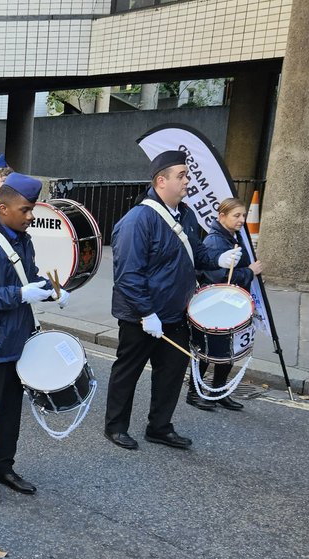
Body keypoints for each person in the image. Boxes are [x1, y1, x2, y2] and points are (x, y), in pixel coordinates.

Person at [103, 150, 242, 451]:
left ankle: (160, 427)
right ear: (160, 180)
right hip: (142, 317)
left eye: (187, 174)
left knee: (171, 373)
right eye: (181, 175)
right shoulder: (139, 219)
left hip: (176, 313)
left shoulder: (187, 214)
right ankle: (115, 426)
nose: (187, 180)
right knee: (128, 371)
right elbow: (128, 275)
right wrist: (146, 313)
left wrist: (219, 256)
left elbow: (197, 252)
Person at [0, 173, 70, 501]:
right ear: (3, 208)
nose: (31, 215)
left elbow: (29, 278)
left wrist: (53, 292)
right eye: (25, 209)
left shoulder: (24, 239)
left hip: (17, 339)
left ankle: (4, 466)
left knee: (11, 409)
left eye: (32, 208)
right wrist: (20, 294)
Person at [188, 197, 265, 412]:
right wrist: (250, 272)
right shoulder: (215, 241)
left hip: (229, 305)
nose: (242, 220)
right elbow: (217, 277)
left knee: (228, 351)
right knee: (207, 351)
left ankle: (218, 392)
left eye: (243, 215)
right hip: (214, 305)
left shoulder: (234, 237)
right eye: (236, 215)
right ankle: (194, 393)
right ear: (222, 216)